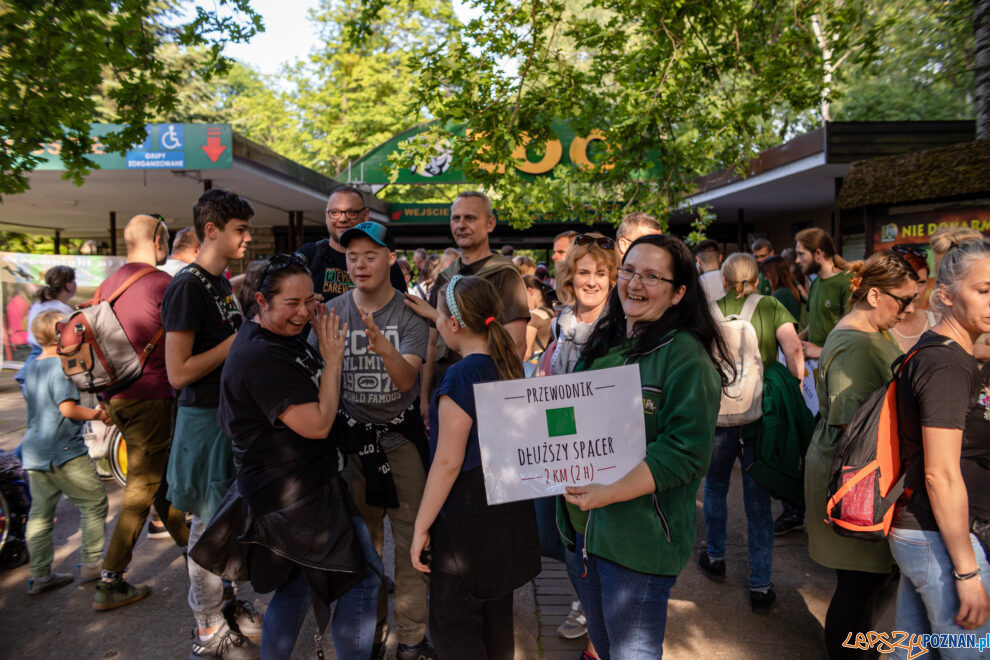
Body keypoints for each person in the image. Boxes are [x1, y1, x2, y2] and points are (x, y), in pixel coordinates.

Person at [190, 255, 385, 659]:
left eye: (309, 300)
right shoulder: (259, 355)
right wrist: (332, 361)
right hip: (292, 496)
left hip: (307, 485)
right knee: (361, 580)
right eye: (291, 304)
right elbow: (317, 424)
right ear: (261, 300)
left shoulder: (278, 337)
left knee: (296, 586)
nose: (304, 312)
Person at [559, 234, 729, 659]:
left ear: (678, 293)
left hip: (637, 544)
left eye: (652, 276)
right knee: (603, 648)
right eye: (630, 270)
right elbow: (574, 420)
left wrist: (606, 492)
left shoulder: (687, 357)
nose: (635, 283)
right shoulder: (606, 342)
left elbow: (685, 453)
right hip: (583, 533)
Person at [318, 222, 434, 660]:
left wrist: (382, 346)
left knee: (411, 548)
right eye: (352, 257)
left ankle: (411, 639)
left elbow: (406, 380)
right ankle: (369, 635)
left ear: (390, 259)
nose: (360, 265)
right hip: (352, 446)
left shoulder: (410, 312)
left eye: (370, 255)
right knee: (365, 550)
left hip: (401, 442)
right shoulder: (331, 311)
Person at [410, 275, 540, 659]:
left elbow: (447, 463)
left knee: (455, 628)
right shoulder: (507, 365)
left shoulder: (461, 375)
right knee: (496, 620)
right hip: (505, 513)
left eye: (439, 316)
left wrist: (420, 527)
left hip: (467, 522)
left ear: (454, 324)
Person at [803, 250, 918, 659]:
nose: (908, 311)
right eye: (903, 301)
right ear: (873, 295)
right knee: (858, 587)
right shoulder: (860, 344)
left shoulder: (864, 332)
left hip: (851, 468)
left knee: (860, 586)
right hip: (857, 472)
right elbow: (854, 425)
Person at [162, 189, 261, 658]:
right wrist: (239, 340)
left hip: (226, 420)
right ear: (211, 230)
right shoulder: (187, 286)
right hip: (202, 423)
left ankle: (228, 605)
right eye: (240, 229)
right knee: (206, 528)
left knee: (229, 521)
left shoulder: (218, 283)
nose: (248, 237)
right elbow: (178, 372)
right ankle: (206, 627)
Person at [888, 238, 990, 649]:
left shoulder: (949, 352)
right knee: (972, 652)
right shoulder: (946, 363)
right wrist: (967, 572)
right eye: (983, 291)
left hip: (924, 534)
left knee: (912, 651)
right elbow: (941, 474)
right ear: (944, 296)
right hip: (940, 538)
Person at [94, 214, 190, 611]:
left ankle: (197, 552)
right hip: (151, 396)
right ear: (158, 242)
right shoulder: (160, 283)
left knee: (159, 482)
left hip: (116, 398)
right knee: (140, 489)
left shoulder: (108, 283)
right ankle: (110, 580)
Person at [698, 253, 803, 614]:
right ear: (756, 278)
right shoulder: (772, 306)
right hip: (760, 415)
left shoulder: (710, 309)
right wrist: (794, 385)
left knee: (715, 486)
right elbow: (793, 349)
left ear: (724, 280)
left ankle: (715, 556)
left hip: (719, 414)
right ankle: (760, 584)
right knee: (758, 503)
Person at [22, 310, 110, 595]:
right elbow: (67, 408)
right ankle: (90, 564)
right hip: (63, 451)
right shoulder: (60, 368)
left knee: (40, 514)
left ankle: (40, 573)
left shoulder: (31, 366)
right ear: (61, 333)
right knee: (94, 503)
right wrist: (98, 415)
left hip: (34, 450)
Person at [422, 192, 529, 417]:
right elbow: (432, 344)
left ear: (490, 224)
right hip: (445, 392)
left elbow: (516, 345)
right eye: (456, 218)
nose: (461, 225)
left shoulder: (505, 275)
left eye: (470, 218)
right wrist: (425, 399)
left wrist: (502, 401)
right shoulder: (444, 277)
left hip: (486, 399)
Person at [297, 186, 406, 302]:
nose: (342, 219)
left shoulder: (383, 262)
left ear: (365, 215)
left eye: (351, 212)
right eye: (334, 212)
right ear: (326, 216)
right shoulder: (308, 255)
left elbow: (401, 308)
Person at [550, 233, 618, 376]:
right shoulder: (559, 324)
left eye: (601, 274)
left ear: (611, 280)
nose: (591, 283)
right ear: (570, 276)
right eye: (583, 273)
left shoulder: (620, 327)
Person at [15, 266, 76, 392]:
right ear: (69, 285)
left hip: (33, 360)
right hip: (52, 358)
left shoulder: (38, 304)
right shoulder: (63, 310)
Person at [795, 227, 851, 360]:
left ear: (818, 254)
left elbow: (855, 332)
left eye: (801, 254)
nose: (797, 260)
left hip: (839, 364)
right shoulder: (816, 282)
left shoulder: (847, 283)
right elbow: (815, 323)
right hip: (815, 367)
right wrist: (794, 339)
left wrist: (821, 351)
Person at [889, 245, 937, 353]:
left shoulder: (937, 321)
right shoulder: (879, 325)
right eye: (909, 281)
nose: (916, 291)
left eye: (921, 282)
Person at [759, 255, 806, 324]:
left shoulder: (781, 293)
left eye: (766, 274)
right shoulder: (790, 287)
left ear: (774, 273)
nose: (765, 278)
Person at [523, 274, 556, 366]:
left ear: (530, 291)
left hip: (532, 365)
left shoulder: (533, 316)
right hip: (547, 363)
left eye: (522, 295)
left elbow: (526, 353)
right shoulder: (552, 311)